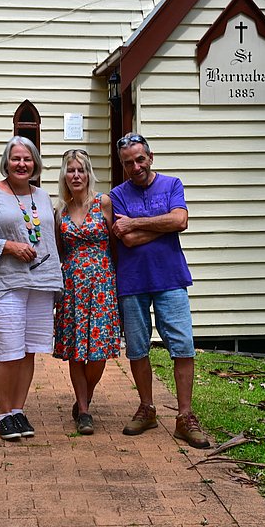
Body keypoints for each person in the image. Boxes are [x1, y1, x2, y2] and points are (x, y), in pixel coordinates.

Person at [108, 132, 210, 449]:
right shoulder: (116, 195)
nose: (135, 167)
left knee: (183, 345)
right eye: (128, 163)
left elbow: (181, 220)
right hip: (132, 281)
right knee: (137, 349)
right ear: (122, 165)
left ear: (151, 157)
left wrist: (137, 223)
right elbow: (127, 240)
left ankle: (185, 417)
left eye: (140, 159)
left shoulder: (171, 184)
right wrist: (162, 225)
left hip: (171, 278)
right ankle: (147, 409)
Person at [0, 135, 63, 441]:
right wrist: (9, 246)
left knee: (29, 351)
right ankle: (5, 413)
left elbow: (50, 239)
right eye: (16, 158)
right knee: (8, 352)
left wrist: (57, 282)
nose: (22, 164)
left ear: (35, 164)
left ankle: (19, 410)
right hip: (5, 285)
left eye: (27, 159)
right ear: (6, 162)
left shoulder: (43, 197)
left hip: (41, 284)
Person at [53, 149, 121, 435]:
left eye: (81, 170)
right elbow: (60, 251)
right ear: (64, 176)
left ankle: (87, 393)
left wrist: (111, 277)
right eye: (71, 171)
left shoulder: (103, 203)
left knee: (98, 352)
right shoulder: (60, 212)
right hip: (72, 287)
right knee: (75, 350)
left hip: (102, 285)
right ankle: (83, 411)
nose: (76, 175)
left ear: (89, 173)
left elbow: (115, 245)